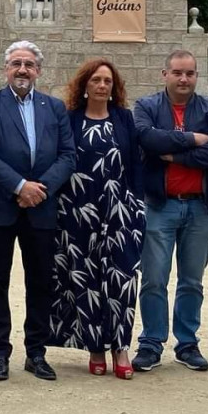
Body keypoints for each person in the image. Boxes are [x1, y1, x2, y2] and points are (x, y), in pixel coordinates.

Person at [0, 40, 76, 382]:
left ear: (38, 71)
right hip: (0, 208)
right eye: (16, 63)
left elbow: (68, 155)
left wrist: (39, 189)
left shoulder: (54, 107)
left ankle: (36, 352)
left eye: (29, 64)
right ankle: (0, 352)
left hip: (42, 209)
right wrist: (20, 186)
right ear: (6, 69)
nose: (22, 70)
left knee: (41, 282)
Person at [132, 49, 208, 373]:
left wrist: (175, 155)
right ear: (165, 75)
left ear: (195, 76)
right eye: (177, 73)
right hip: (159, 205)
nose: (184, 79)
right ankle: (151, 343)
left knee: (191, 281)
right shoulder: (146, 107)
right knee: (154, 279)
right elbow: (147, 139)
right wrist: (191, 139)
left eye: (189, 73)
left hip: (200, 207)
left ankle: (187, 344)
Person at [50, 58, 145, 379]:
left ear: (114, 87)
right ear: (85, 85)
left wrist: (137, 205)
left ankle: (120, 347)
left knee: (122, 280)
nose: (102, 85)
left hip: (120, 214)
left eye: (107, 81)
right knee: (85, 278)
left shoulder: (124, 119)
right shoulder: (71, 119)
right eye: (96, 80)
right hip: (77, 214)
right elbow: (60, 161)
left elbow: (136, 163)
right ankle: (95, 347)